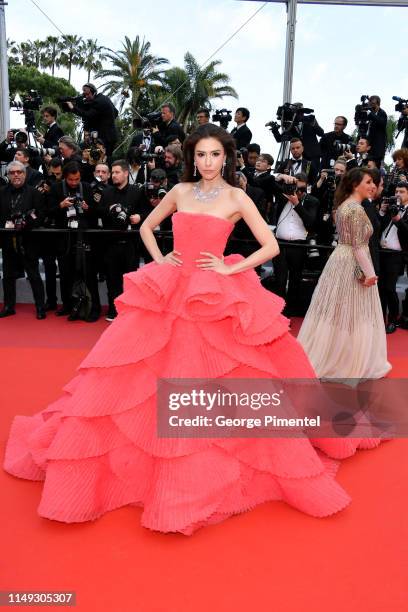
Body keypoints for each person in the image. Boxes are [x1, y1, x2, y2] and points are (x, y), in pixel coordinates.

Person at [5, 124, 376, 535]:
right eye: (200, 155)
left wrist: (231, 267)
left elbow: (269, 245)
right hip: (172, 287)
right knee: (140, 370)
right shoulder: (180, 192)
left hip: (215, 293)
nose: (207, 162)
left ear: (226, 157)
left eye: (215, 155)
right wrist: (161, 259)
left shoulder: (237, 196)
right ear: (192, 158)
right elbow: (146, 227)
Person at [298, 167, 391, 380]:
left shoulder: (345, 206)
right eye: (368, 182)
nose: (373, 186)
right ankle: (345, 360)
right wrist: (370, 274)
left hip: (341, 259)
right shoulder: (355, 209)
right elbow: (359, 247)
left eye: (373, 183)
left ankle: (338, 354)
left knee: (340, 310)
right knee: (352, 312)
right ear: (353, 184)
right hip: (352, 262)